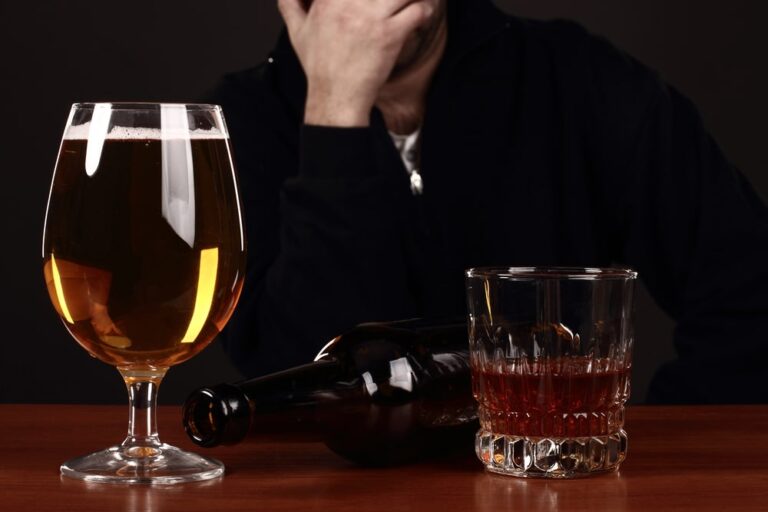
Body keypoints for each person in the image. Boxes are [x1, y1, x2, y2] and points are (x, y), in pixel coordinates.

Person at [212, 0, 768, 403]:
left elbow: (748, 296)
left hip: (553, 479)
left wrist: (658, 447)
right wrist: (335, 112)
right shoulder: (231, 124)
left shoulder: (580, 79)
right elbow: (292, 385)